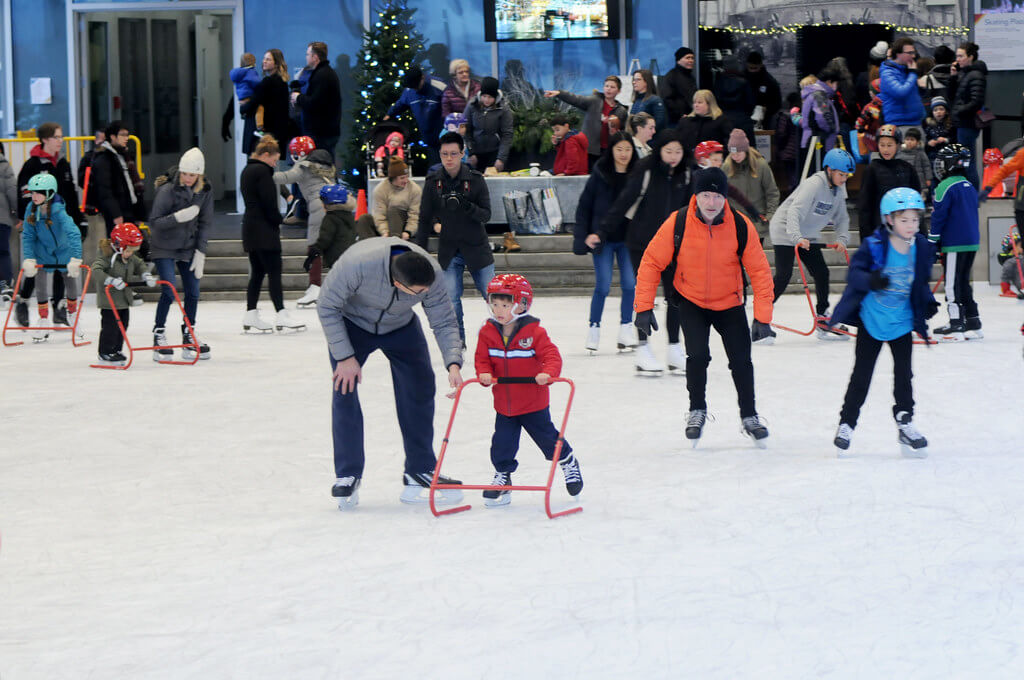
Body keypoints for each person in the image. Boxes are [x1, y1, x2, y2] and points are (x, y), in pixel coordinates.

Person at [317, 238, 465, 509]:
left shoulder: (430, 273)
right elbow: (327, 306)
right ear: (399, 284)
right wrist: (345, 357)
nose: (426, 293)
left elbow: (443, 319)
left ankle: (419, 468)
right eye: (419, 292)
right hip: (352, 324)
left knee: (420, 387)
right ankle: (348, 473)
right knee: (345, 389)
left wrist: (453, 362)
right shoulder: (356, 265)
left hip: (401, 326)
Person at [633, 166, 774, 447]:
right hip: (692, 301)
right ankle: (697, 410)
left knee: (742, 361)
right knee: (696, 357)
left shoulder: (740, 225)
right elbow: (651, 262)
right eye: (706, 195)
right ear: (697, 195)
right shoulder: (679, 222)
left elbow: (759, 271)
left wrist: (762, 317)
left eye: (717, 196)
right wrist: (643, 307)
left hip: (730, 303)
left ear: (725, 197)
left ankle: (750, 416)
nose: (712, 203)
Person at [829, 188, 937, 457]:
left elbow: (920, 281)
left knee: (904, 375)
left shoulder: (921, 247)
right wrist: (871, 281)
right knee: (861, 376)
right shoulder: (874, 245)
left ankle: (905, 420)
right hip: (872, 322)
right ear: (889, 219)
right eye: (904, 220)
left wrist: (926, 303)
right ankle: (847, 423)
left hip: (901, 323)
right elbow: (854, 275)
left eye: (915, 220)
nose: (911, 226)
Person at [474, 273, 583, 506]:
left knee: (547, 439)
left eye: (505, 304)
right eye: (494, 304)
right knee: (502, 443)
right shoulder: (487, 332)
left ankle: (567, 461)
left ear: (522, 304)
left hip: (533, 402)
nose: (498, 310)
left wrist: (548, 373)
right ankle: (503, 477)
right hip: (504, 403)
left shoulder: (534, 332)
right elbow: (481, 359)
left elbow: (551, 356)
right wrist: (483, 373)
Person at [595, 129, 690, 374]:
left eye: (678, 151)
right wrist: (602, 231)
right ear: (659, 150)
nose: (673, 156)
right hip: (642, 244)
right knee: (645, 296)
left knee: (676, 297)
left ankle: (674, 348)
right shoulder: (647, 170)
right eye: (668, 151)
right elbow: (624, 202)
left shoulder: (687, 173)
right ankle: (643, 348)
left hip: (674, 245)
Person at [415, 131, 493, 344]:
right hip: (449, 250)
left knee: (495, 297)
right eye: (444, 154)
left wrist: (467, 206)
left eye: (453, 153)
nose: (448, 159)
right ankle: (457, 342)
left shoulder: (475, 180)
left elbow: (486, 215)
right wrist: (419, 251)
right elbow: (423, 218)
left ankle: (505, 338)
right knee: (450, 300)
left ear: (462, 154)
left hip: (477, 247)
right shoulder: (433, 182)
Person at [768, 148, 854, 342]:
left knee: (822, 272)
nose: (844, 179)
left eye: (846, 176)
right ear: (829, 170)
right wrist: (796, 236)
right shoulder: (814, 184)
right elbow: (794, 212)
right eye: (841, 174)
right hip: (785, 229)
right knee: (784, 275)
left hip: (807, 234)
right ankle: (760, 318)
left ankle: (823, 319)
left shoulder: (839, 190)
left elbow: (842, 218)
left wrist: (842, 238)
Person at [575, 131, 638, 353]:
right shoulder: (600, 173)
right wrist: (584, 235)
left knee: (630, 284)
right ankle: (594, 328)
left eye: (628, 149)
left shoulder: (638, 174)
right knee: (603, 285)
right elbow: (584, 206)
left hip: (628, 239)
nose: (623, 154)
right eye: (619, 149)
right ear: (611, 150)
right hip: (603, 239)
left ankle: (626, 328)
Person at [147, 148, 212, 362]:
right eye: (184, 173)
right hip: (163, 246)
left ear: (199, 175)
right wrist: (178, 217)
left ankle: (189, 332)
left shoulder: (205, 191)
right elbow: (154, 223)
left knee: (193, 291)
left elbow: (204, 223)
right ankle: (159, 333)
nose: (186, 178)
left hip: (188, 246)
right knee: (169, 290)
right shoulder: (167, 190)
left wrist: (201, 251)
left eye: (191, 175)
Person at [239, 135, 305, 334]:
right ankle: (281, 313)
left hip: (250, 229)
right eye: (275, 160)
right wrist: (280, 219)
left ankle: (250, 313)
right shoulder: (262, 172)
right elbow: (269, 203)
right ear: (265, 155)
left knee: (257, 273)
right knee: (275, 272)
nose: (275, 164)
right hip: (265, 232)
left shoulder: (247, 170)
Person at [14, 173, 83, 339]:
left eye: (39, 192)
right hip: (43, 252)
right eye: (33, 192)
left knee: (70, 280)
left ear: (49, 193)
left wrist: (76, 257)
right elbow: (28, 236)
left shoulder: (59, 211)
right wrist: (29, 258)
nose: (34, 196)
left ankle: (72, 316)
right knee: (41, 283)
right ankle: (43, 320)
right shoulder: (30, 210)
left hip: (64, 252)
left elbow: (74, 233)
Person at [273, 144, 336, 308]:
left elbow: (287, 177)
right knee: (330, 246)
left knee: (314, 247)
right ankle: (327, 286)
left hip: (318, 206)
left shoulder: (305, 165)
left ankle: (315, 286)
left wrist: (267, 172)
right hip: (333, 206)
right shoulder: (325, 164)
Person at [929, 143, 981, 341]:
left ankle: (956, 322)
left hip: (954, 244)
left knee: (951, 284)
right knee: (963, 282)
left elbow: (938, 217)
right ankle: (973, 320)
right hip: (971, 243)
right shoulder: (969, 185)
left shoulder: (944, 186)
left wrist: (932, 241)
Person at [92, 223, 155, 366]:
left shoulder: (130, 256)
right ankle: (105, 352)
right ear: (118, 244)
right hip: (109, 301)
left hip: (123, 299)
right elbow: (96, 270)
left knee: (123, 325)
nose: (131, 253)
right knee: (110, 327)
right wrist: (110, 280)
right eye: (128, 250)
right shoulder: (105, 255)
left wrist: (146, 275)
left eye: (133, 250)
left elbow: (140, 264)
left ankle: (117, 350)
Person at [544, 76, 628, 166]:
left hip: (609, 152)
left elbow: (622, 134)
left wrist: (613, 132)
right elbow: (576, 99)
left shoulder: (621, 110)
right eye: (606, 86)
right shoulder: (594, 101)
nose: (608, 89)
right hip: (590, 150)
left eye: (612, 87)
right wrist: (559, 93)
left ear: (618, 91)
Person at [857, 125, 921, 241]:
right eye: (882, 145)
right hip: (880, 232)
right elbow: (864, 207)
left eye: (890, 145)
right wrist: (866, 239)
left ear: (897, 145)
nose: (886, 150)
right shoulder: (871, 169)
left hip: (905, 233)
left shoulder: (908, 168)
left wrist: (922, 235)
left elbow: (916, 204)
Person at [723, 129, 779, 242]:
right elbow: (723, 196)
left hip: (757, 223)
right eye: (732, 153)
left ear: (746, 150)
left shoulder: (761, 165)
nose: (735, 156)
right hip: (735, 223)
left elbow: (772, 192)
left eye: (738, 153)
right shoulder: (726, 167)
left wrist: (770, 215)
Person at [947, 41, 988, 187]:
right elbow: (951, 96)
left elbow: (976, 101)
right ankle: (970, 195)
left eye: (961, 56)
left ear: (970, 57)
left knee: (967, 161)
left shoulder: (975, 75)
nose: (957, 59)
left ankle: (972, 196)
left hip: (967, 123)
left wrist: (959, 110)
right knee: (966, 160)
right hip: (962, 123)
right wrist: (953, 77)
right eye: (957, 56)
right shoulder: (964, 73)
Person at [292, 41, 342, 160]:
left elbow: (315, 103)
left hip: (321, 133)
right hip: (325, 131)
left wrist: (298, 97)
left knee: (321, 165)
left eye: (308, 54)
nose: (306, 57)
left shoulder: (322, 75)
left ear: (315, 57)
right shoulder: (325, 73)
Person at [90, 121, 140, 237]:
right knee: (119, 246)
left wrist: (139, 212)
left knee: (133, 246)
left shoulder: (124, 155)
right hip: (118, 211)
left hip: (129, 208)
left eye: (127, 135)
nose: (126, 138)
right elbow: (105, 190)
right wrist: (116, 214)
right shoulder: (104, 159)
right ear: (112, 137)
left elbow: (133, 185)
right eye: (122, 135)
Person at [385, 66, 444, 158]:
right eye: (413, 87)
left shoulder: (439, 86)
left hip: (445, 138)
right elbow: (400, 104)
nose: (415, 89)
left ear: (422, 78)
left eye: (417, 86)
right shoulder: (409, 91)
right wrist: (389, 114)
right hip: (429, 140)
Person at [243, 50, 292, 158]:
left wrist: (243, 108)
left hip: (264, 136)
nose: (264, 61)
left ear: (276, 63)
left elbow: (252, 104)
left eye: (268, 59)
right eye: (264, 58)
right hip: (276, 135)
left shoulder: (268, 82)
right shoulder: (283, 83)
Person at [356, 158, 421, 240]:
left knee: (393, 211)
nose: (406, 181)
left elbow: (415, 215)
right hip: (384, 224)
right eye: (402, 178)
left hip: (404, 224)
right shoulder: (380, 189)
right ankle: (369, 246)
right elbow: (379, 214)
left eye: (406, 177)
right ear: (393, 178)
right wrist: (384, 232)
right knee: (364, 219)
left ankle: (394, 243)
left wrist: (408, 231)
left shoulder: (414, 189)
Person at [306, 184, 358, 278]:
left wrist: (313, 253)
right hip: (350, 257)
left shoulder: (330, 218)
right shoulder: (349, 215)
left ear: (328, 203)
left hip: (335, 259)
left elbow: (325, 239)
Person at [464, 77, 513, 173]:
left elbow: (507, 134)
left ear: (495, 97)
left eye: (490, 97)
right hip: (475, 152)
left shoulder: (503, 109)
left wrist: (501, 158)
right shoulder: (472, 106)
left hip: (494, 152)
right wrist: (471, 152)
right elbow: (466, 130)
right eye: (484, 96)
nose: (486, 100)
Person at [880, 38, 927, 135]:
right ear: (898, 54)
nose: (913, 56)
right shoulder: (888, 72)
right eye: (909, 53)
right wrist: (913, 74)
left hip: (916, 123)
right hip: (899, 125)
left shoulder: (907, 69)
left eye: (913, 52)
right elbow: (900, 93)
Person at [676, 90, 732, 164]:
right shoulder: (685, 121)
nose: (696, 105)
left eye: (700, 102)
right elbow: (677, 141)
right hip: (688, 163)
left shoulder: (722, 121)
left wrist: (718, 158)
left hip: (713, 165)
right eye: (694, 102)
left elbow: (728, 144)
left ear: (709, 104)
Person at [799, 70, 840, 168]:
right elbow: (823, 118)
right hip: (819, 141)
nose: (836, 87)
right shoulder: (820, 95)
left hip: (814, 140)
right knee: (819, 174)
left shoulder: (815, 94)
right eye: (836, 83)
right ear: (829, 82)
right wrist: (833, 129)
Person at [981, 144, 1024, 234]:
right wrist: (989, 187)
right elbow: (1005, 170)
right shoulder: (1022, 155)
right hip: (1022, 207)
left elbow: (1004, 170)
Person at [714, 57, 756, 144]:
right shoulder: (744, 82)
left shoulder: (718, 83)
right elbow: (750, 103)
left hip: (724, 120)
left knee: (727, 149)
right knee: (746, 149)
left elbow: (715, 102)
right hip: (743, 120)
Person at [745, 51, 782, 130]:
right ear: (747, 65)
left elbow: (777, 103)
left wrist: (767, 109)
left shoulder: (770, 81)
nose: (753, 71)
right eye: (750, 68)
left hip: (765, 120)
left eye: (755, 68)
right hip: (745, 118)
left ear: (761, 65)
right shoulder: (742, 79)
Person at [230, 53, 264, 137]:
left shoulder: (237, 73)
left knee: (246, 109)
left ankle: (243, 115)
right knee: (260, 109)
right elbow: (256, 82)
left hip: (241, 98)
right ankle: (260, 128)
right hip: (249, 96)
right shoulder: (250, 71)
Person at [774, 92, 802, 194]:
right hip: (801, 151)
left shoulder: (785, 115)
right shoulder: (804, 115)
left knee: (792, 179)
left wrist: (780, 149)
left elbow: (781, 133)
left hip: (788, 152)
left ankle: (794, 198)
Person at [661, 47, 698, 125]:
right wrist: (679, 114)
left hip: (692, 118)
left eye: (692, 58)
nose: (691, 60)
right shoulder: (671, 76)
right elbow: (667, 98)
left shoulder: (691, 77)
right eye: (687, 58)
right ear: (678, 60)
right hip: (676, 121)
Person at [0, 142, 16, 306]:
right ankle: (5, 286)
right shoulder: (4, 166)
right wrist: (18, 215)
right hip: (2, 219)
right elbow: (12, 190)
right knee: (3, 253)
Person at [896, 128, 932, 197]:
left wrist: (928, 178)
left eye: (912, 140)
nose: (909, 142)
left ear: (918, 142)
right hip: (904, 181)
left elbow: (926, 166)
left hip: (920, 181)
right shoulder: (900, 152)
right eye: (907, 139)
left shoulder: (920, 153)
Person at [924, 96, 953, 163]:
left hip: (948, 155)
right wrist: (929, 143)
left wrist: (945, 140)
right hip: (933, 155)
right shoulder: (928, 125)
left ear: (946, 111)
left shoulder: (950, 124)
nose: (938, 112)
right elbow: (925, 140)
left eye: (941, 109)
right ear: (932, 112)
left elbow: (955, 138)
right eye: (935, 110)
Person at [996, 226, 1023, 298]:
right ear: (1012, 249)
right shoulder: (1010, 262)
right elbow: (1005, 276)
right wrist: (1006, 290)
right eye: (1021, 246)